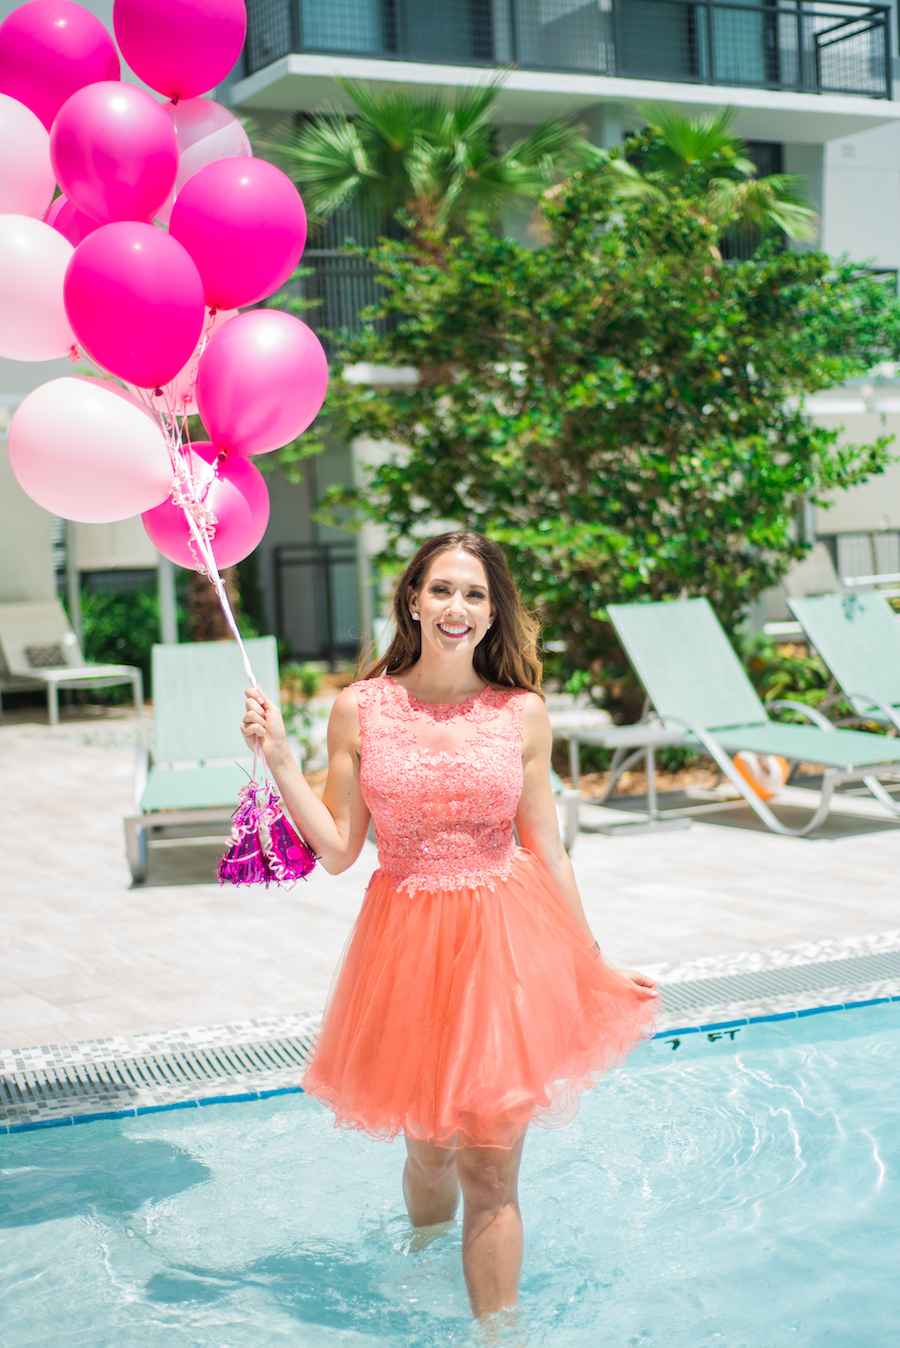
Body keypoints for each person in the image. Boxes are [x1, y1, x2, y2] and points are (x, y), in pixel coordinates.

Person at [241, 530, 659, 1321]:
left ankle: (498, 1340)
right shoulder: (360, 708)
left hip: (506, 948)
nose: (456, 607)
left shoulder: (522, 713)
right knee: (429, 1157)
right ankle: (424, 1268)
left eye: (474, 593)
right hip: (404, 950)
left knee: (491, 1175)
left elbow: (551, 852)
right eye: (441, 590)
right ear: (411, 600)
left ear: (494, 610)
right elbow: (337, 852)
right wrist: (282, 763)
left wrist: (591, 965)